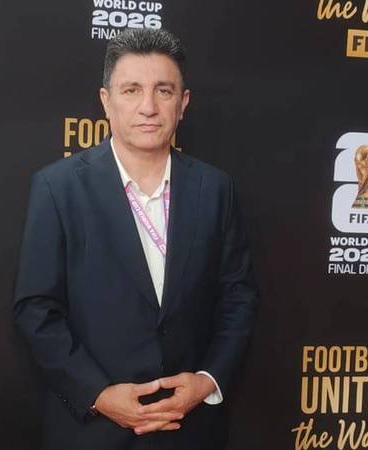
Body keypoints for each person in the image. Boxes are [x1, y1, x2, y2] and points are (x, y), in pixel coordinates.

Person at [13, 28, 259, 450]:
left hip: (190, 430)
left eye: (164, 91)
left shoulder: (216, 189)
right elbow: (35, 309)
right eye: (131, 90)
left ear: (183, 103)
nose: (148, 107)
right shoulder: (57, 188)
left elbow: (239, 295)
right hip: (92, 432)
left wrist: (206, 380)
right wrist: (98, 394)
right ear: (106, 101)